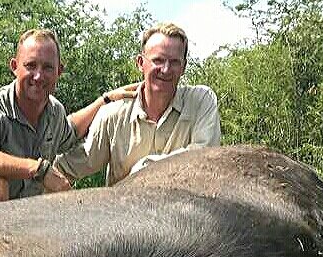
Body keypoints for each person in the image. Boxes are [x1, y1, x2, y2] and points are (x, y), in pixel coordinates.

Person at [0, 29, 136, 229]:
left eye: (47, 67)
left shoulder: (54, 111)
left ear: (59, 71)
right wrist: (38, 169)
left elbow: (71, 129)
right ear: (14, 66)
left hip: (17, 223)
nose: (38, 76)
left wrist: (106, 99)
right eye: (30, 65)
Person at [55, 23, 221, 186]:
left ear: (184, 67)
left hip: (185, 211)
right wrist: (39, 172)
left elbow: (203, 159)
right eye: (158, 60)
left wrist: (143, 170)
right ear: (141, 63)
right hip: (126, 211)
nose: (166, 69)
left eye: (175, 62)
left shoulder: (201, 101)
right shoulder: (113, 114)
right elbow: (72, 166)